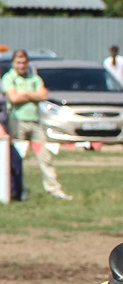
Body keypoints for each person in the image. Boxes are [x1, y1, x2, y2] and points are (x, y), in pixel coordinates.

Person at [1, 49, 71, 200]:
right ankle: (19, 190)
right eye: (18, 63)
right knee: (17, 160)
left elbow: (44, 95)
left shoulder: (34, 77)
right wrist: (32, 95)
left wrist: (25, 94)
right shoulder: (9, 78)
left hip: (35, 122)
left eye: (24, 62)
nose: (21, 66)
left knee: (45, 157)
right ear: (13, 63)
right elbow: (13, 98)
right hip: (16, 121)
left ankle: (54, 189)